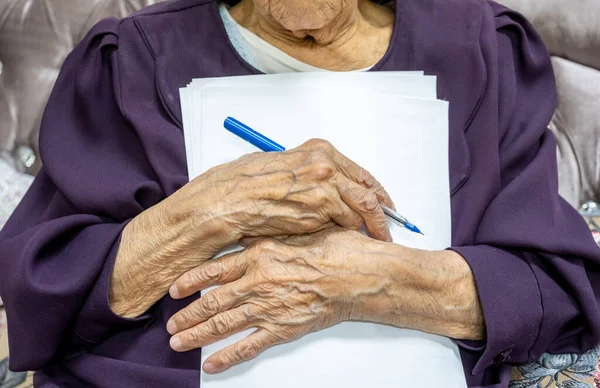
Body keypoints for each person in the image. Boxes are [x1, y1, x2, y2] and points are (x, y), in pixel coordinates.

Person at [0, 0, 599, 387]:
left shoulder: (481, 50)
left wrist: (367, 284)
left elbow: (552, 288)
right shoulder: (131, 59)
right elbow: (42, 291)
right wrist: (206, 211)